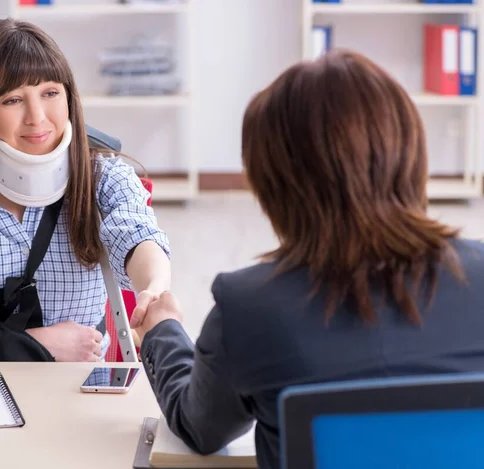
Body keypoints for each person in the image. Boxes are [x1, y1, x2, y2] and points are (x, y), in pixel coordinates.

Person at [130, 49, 484, 469]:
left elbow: (200, 427)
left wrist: (161, 330)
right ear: (410, 154)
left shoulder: (250, 308)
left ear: (273, 186)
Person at [0, 18, 171, 362]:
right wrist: (35, 345)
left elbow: (138, 237)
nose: (37, 117)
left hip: (76, 389)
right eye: (12, 100)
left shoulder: (104, 178)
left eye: (50, 93)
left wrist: (154, 288)